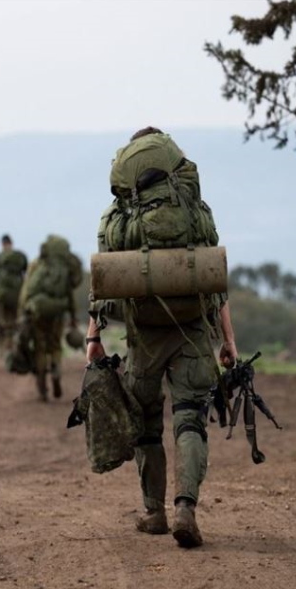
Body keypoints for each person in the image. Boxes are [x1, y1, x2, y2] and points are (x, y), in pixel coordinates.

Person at [85, 127, 238, 548]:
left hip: (143, 338)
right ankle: (185, 507)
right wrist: (229, 342)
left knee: (148, 423)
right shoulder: (196, 212)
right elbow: (215, 282)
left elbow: (100, 285)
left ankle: (153, 511)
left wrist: (92, 339)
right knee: (190, 417)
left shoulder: (119, 218)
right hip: (191, 333)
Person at [19, 235, 80, 401]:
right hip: (58, 313)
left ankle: (42, 388)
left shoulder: (35, 266)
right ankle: (56, 372)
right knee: (55, 346)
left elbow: (27, 292)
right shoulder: (63, 269)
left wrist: (24, 312)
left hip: (39, 314)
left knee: (40, 347)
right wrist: (73, 316)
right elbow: (69, 293)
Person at [0, 234, 28, 354]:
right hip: (18, 294)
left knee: (5, 322)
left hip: (3, 296)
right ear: (11, 243)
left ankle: (6, 348)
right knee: (18, 320)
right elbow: (26, 271)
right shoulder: (20, 256)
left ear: (2, 244)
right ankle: (18, 348)